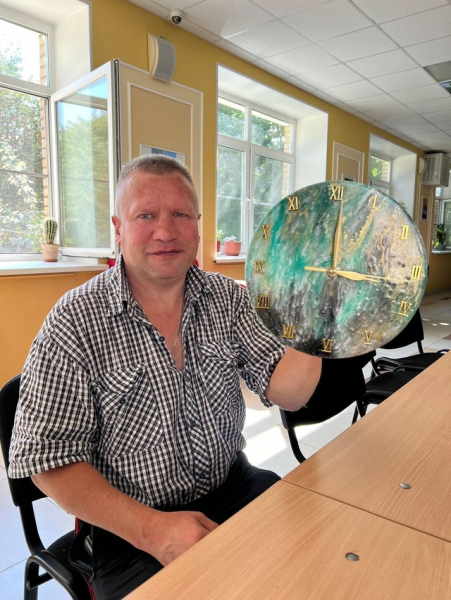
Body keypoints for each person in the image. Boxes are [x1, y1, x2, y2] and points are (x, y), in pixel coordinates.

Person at [9, 155, 321, 599]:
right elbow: (45, 459)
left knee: (317, 563)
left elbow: (289, 393)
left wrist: (316, 327)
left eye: (180, 214)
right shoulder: (74, 322)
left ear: (198, 225)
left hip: (234, 484)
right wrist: (152, 530)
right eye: (146, 216)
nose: (165, 231)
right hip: (129, 526)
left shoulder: (228, 300)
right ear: (118, 229)